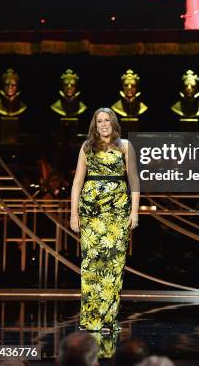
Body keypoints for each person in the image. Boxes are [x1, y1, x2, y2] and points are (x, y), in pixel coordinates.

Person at [70, 107, 140, 332]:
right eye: (99, 121)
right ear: (95, 124)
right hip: (90, 211)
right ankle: (90, 320)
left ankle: (108, 320)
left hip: (118, 210)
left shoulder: (125, 146)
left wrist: (135, 212)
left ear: (113, 123)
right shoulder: (86, 147)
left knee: (113, 265)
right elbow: (77, 183)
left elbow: (134, 181)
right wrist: (73, 214)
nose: (103, 124)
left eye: (107, 120)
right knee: (91, 264)